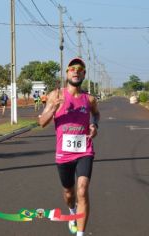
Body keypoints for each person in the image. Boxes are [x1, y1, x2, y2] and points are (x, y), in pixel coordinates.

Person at [38, 58, 100, 236]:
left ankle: (80, 233)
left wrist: (95, 125)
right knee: (68, 193)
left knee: (82, 189)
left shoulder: (89, 99)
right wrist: (53, 108)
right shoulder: (55, 95)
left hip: (84, 151)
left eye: (79, 69)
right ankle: (72, 212)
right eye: (72, 68)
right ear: (67, 73)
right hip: (63, 154)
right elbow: (42, 122)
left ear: (84, 74)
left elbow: (96, 115)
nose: (75, 71)